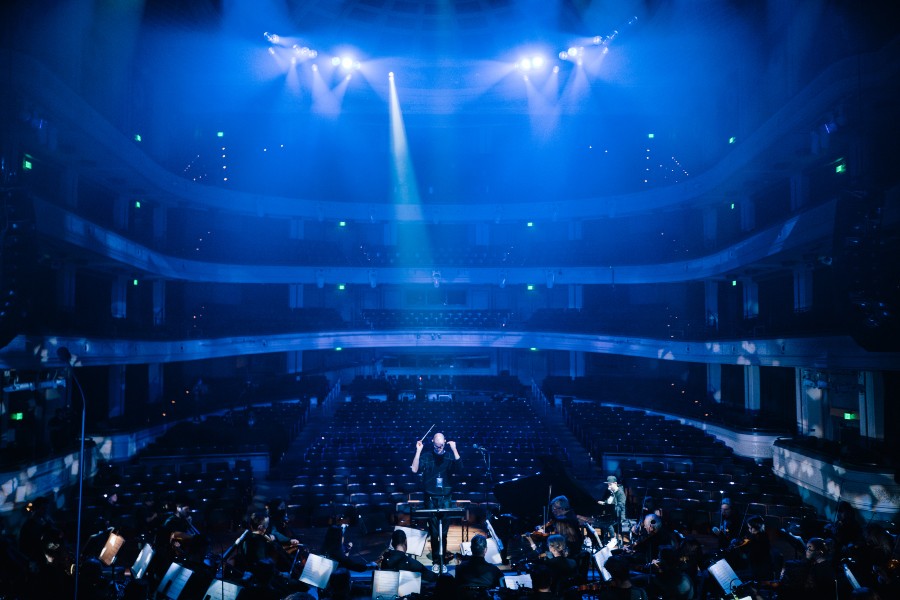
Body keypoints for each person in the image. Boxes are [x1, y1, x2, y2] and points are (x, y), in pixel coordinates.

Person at [411, 431, 461, 572]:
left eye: (441, 445)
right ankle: (435, 561)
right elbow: (414, 469)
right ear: (433, 442)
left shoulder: (450, 456)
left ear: (444, 442)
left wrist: (454, 448)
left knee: (443, 533)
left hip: (446, 498)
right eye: (437, 445)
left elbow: (460, 467)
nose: (439, 448)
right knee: (433, 532)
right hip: (431, 498)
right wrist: (418, 451)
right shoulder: (426, 456)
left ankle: (442, 561)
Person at [603, 476, 627, 541]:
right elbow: (608, 501)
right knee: (603, 521)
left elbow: (621, 505)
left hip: (619, 516)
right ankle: (605, 539)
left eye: (610, 484)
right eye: (608, 484)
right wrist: (603, 503)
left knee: (607, 523)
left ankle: (613, 538)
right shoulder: (610, 492)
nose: (609, 486)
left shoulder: (620, 493)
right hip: (612, 515)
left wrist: (611, 505)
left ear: (615, 483)